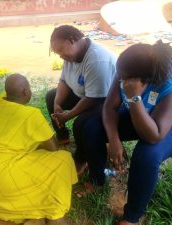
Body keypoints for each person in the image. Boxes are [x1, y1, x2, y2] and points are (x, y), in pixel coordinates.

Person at [82, 40, 172, 224]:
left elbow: (154, 135)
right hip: (137, 113)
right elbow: (109, 107)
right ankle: (97, 180)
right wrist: (114, 140)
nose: (120, 80)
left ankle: (131, 216)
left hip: (169, 127)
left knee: (146, 155)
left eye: (124, 78)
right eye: (120, 75)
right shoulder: (127, 70)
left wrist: (134, 98)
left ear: (144, 79)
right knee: (91, 126)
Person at [0, 74, 77, 225]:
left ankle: (33, 216)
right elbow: (53, 148)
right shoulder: (31, 115)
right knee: (63, 159)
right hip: (7, 181)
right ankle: (54, 214)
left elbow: (9, 89)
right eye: (30, 89)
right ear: (25, 92)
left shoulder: (0, 102)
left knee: (34, 155)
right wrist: (42, 135)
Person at [46, 25, 117, 173]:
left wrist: (68, 115)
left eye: (60, 50)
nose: (60, 56)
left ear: (71, 40)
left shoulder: (97, 60)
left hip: (105, 101)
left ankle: (81, 158)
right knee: (51, 96)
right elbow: (64, 81)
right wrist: (57, 103)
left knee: (80, 123)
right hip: (86, 94)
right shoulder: (72, 55)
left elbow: (93, 99)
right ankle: (63, 136)